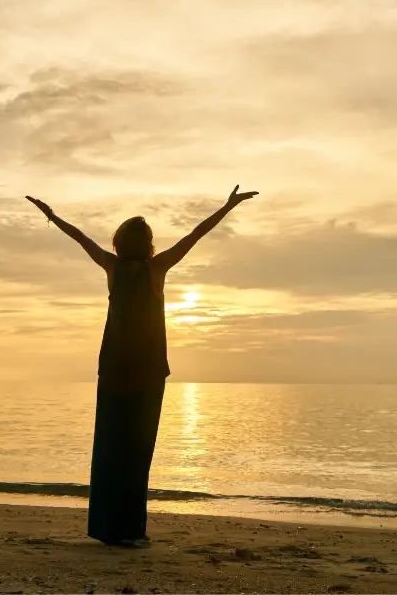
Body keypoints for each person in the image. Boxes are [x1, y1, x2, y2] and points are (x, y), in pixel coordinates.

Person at [25, 186, 258, 546]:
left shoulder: (113, 267)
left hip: (116, 371)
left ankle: (107, 529)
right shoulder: (156, 268)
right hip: (148, 374)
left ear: (119, 242)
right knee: (137, 452)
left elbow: (81, 237)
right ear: (148, 244)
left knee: (109, 450)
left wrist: (52, 216)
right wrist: (227, 207)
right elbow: (194, 235)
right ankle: (131, 531)